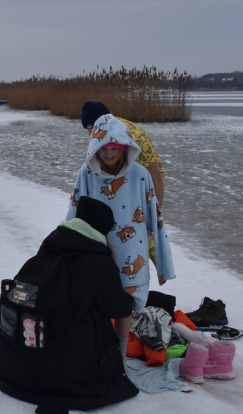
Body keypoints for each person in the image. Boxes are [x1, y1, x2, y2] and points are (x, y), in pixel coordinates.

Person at [0, 196, 138, 414]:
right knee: (99, 312)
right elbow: (119, 308)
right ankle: (119, 360)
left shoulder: (52, 245)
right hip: (67, 375)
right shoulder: (100, 261)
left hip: (13, 367)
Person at [65, 113, 175, 312]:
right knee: (100, 310)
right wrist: (67, 255)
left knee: (132, 313)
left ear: (124, 147)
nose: (109, 154)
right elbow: (74, 213)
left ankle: (128, 342)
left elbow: (156, 221)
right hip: (99, 253)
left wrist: (162, 265)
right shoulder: (87, 173)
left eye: (114, 148)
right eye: (104, 148)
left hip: (134, 256)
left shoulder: (141, 175)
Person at [81, 100, 166, 208]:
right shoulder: (101, 132)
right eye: (88, 129)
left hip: (143, 185)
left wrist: (156, 214)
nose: (90, 133)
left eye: (92, 129)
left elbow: (156, 176)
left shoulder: (137, 138)